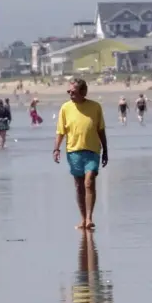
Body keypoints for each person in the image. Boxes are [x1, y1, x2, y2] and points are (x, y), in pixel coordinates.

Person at [53, 79, 108, 230]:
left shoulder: (95, 107)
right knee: (79, 185)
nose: (70, 94)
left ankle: (90, 218)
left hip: (92, 151)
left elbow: (101, 130)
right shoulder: (65, 108)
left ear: (83, 92)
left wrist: (105, 151)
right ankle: (83, 218)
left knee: (89, 182)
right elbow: (60, 131)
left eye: (73, 92)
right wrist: (56, 148)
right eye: (68, 92)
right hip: (73, 151)